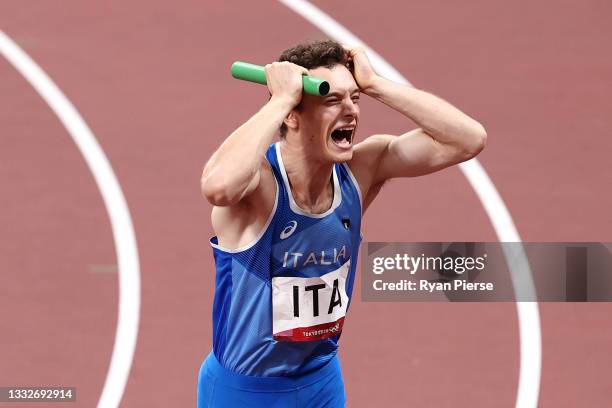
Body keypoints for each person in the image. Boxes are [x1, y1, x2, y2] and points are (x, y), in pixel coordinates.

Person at [198, 40, 486, 407]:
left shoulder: (360, 171)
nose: (351, 111)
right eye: (332, 100)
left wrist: (377, 84)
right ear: (293, 114)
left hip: (321, 381)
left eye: (355, 98)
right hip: (247, 392)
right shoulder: (258, 186)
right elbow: (218, 186)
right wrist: (278, 100)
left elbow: (468, 139)